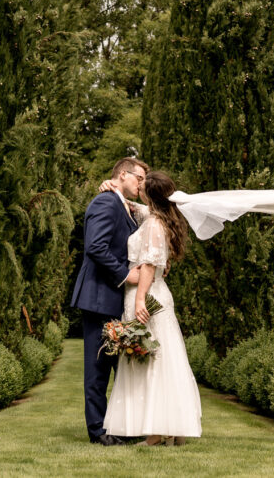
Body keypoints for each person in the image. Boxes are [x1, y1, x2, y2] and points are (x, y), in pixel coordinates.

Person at [103, 170, 202, 446]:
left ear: (151, 193)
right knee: (163, 358)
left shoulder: (155, 224)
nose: (139, 186)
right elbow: (133, 206)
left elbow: (148, 264)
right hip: (155, 294)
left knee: (153, 361)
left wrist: (139, 300)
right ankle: (175, 430)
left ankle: (158, 433)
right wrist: (113, 188)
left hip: (147, 295)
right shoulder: (156, 217)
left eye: (143, 184)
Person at [70, 157, 147, 446]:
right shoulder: (105, 202)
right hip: (99, 297)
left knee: (117, 368)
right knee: (98, 369)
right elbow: (96, 247)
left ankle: (117, 426)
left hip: (114, 300)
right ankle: (98, 432)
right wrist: (126, 275)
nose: (141, 184)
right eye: (138, 178)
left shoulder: (123, 205)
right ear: (122, 175)